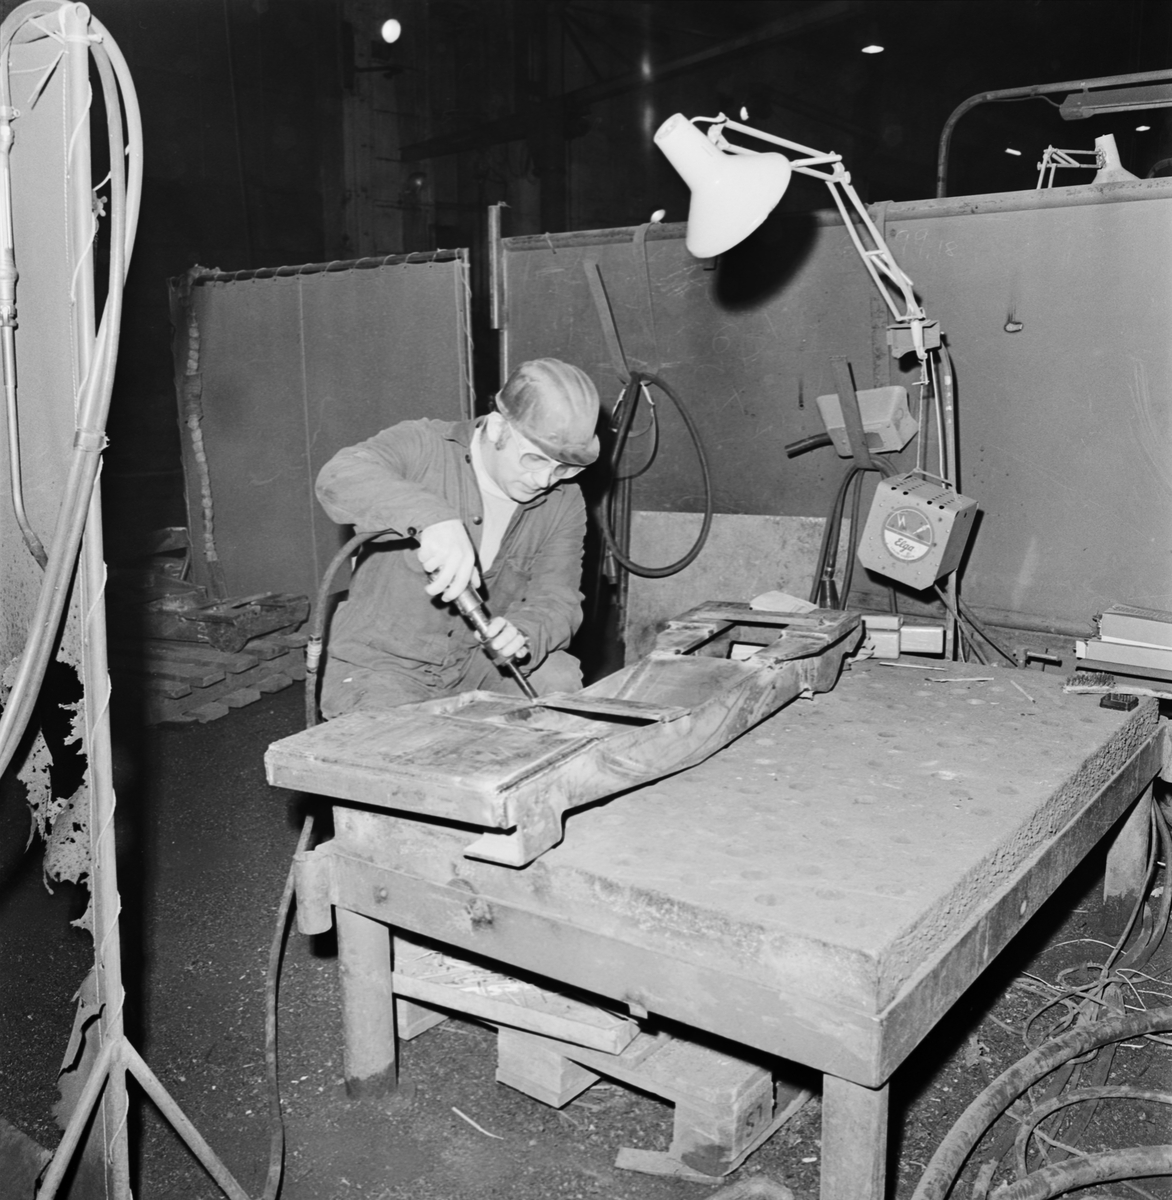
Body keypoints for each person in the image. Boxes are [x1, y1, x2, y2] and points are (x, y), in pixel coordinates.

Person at [315, 358, 600, 718]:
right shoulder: (423, 446)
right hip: (383, 666)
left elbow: (558, 598)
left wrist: (524, 633)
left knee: (556, 677)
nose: (545, 480)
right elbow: (339, 475)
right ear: (498, 428)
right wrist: (432, 518)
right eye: (534, 459)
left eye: (563, 468)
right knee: (401, 742)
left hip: (478, 664)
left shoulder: (563, 501)